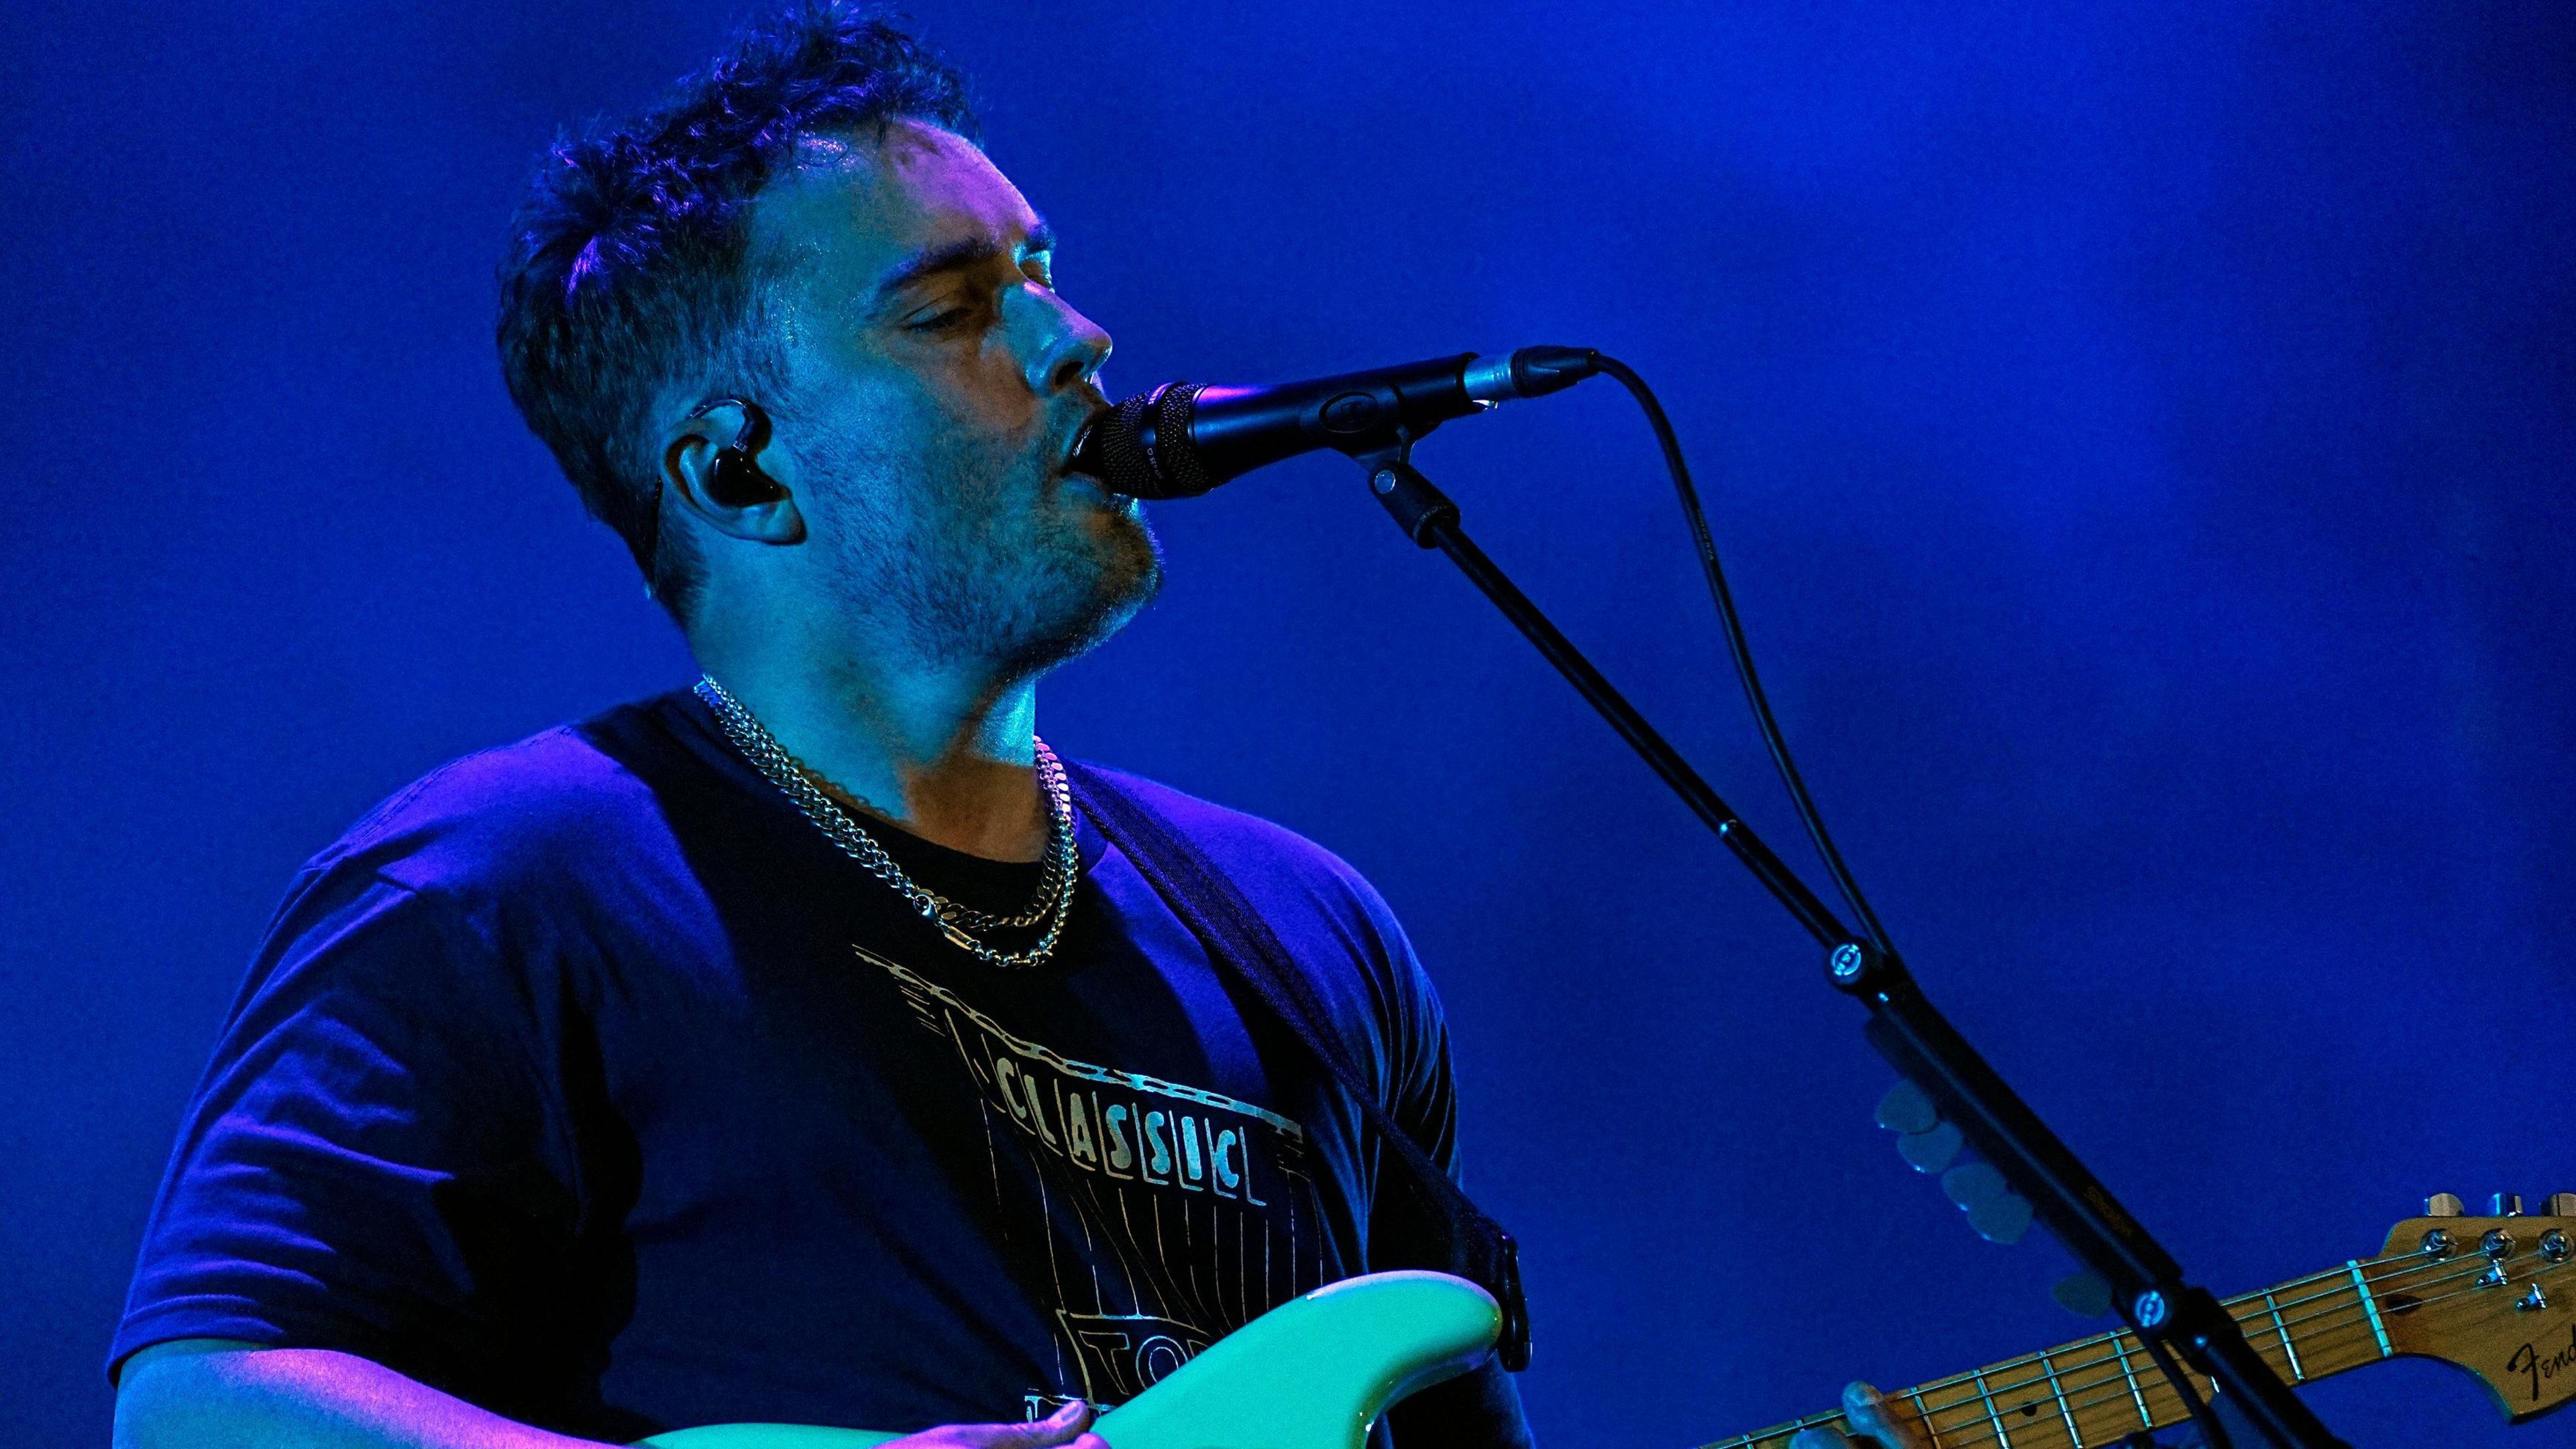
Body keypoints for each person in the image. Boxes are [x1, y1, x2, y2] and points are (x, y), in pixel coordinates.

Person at [104, 7, 1924, 1448]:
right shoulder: (509, 886)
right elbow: (199, 1405)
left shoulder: (1310, 933)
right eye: (956, 310)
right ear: (738, 470)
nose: (1079, 339)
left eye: (1044, 270)